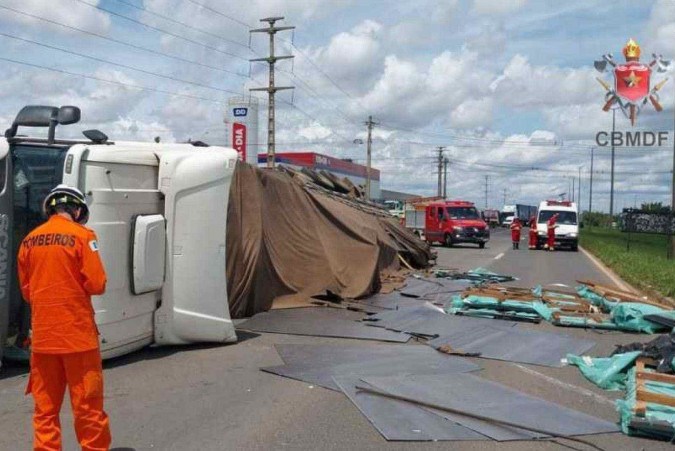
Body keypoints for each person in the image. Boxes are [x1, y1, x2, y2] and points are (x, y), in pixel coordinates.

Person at [18, 184, 111, 451]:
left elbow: (27, 292)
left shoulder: (29, 240)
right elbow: (97, 284)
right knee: (88, 409)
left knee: (45, 411)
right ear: (78, 209)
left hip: (43, 340)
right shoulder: (83, 236)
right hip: (78, 339)